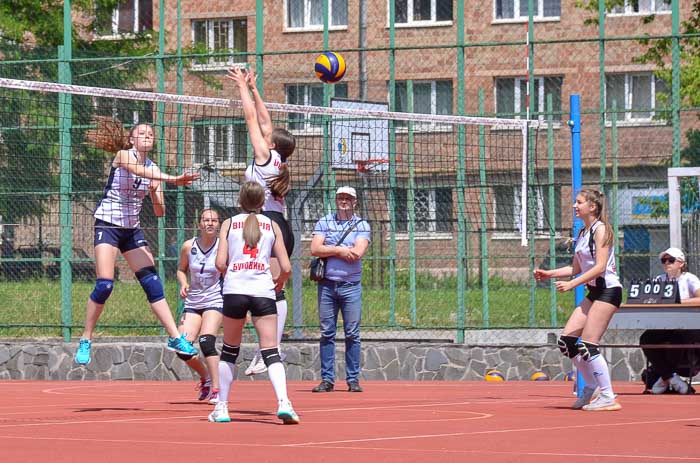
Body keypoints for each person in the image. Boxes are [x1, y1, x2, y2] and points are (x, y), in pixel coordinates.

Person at [74, 117, 199, 365]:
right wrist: (172, 179)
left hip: (131, 230)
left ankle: (175, 337)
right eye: (142, 133)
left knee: (153, 282)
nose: (147, 136)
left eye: (150, 134)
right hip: (108, 225)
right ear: (132, 139)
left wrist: (155, 191)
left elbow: (160, 211)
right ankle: (86, 338)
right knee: (105, 285)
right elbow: (136, 170)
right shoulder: (123, 156)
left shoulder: (154, 169)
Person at [208, 181, 298, 424]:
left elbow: (219, 263)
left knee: (229, 350)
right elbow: (287, 267)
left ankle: (223, 407)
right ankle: (284, 403)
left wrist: (233, 275)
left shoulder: (228, 224)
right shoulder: (272, 224)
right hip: (263, 291)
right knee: (270, 351)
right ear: (261, 203)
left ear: (240, 201)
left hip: (235, 290)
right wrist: (278, 282)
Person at [227, 67, 296, 377]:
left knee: (271, 293)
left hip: (267, 225)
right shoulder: (277, 159)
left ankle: (271, 348)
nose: (266, 132)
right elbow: (265, 121)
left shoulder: (264, 157)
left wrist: (241, 87)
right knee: (273, 291)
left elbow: (253, 120)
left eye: (269, 135)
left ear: (271, 144)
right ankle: (271, 347)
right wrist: (256, 89)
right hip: (282, 226)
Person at [534, 188, 622, 411]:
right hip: (594, 292)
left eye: (579, 202)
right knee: (567, 342)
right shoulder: (583, 232)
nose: (575, 206)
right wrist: (549, 273)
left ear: (592, 207)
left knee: (589, 345)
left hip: (608, 291)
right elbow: (574, 268)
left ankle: (608, 396)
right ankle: (590, 386)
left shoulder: (600, 230)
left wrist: (573, 285)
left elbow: (601, 266)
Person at [309, 186, 371, 393]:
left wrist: (330, 249)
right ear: (336, 200)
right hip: (327, 285)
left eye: (348, 198)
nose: (344, 201)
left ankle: (353, 379)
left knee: (352, 333)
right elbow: (315, 248)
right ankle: (327, 380)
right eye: (340, 198)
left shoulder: (362, 225)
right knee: (327, 333)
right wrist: (340, 249)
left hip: (351, 286)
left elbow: (357, 253)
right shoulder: (324, 221)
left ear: (355, 202)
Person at [175, 209, 224, 403]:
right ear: (199, 224)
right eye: (206, 220)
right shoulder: (189, 246)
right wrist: (184, 283)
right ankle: (206, 377)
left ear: (219, 224)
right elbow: (180, 269)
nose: (210, 223)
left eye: (214, 220)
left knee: (206, 342)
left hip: (215, 300)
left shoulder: (224, 247)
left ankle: (217, 389)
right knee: (182, 348)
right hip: (193, 302)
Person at [641, 247, 700, 395]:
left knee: (677, 339)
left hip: (690, 326)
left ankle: (664, 379)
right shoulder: (658, 280)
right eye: (664, 260)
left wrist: (678, 301)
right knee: (646, 338)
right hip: (664, 325)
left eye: (671, 260)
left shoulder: (690, 278)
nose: (667, 263)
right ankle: (672, 378)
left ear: (681, 263)